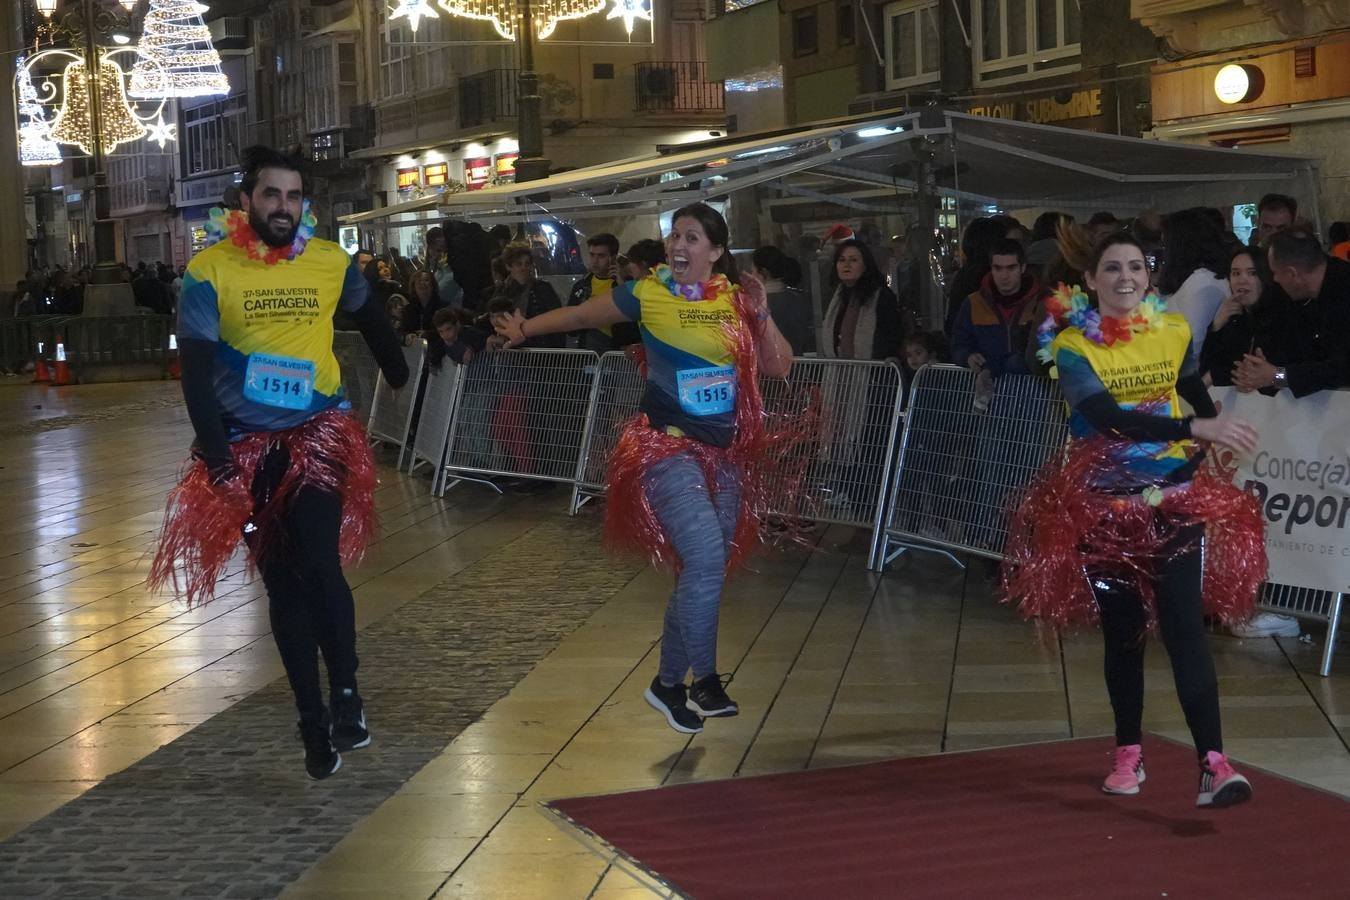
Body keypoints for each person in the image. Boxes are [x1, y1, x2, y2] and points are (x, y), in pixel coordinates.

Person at [149, 146, 410, 780]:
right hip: (245, 447)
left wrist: (400, 370)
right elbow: (198, 375)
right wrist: (216, 460)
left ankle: (347, 693)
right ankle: (310, 719)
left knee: (321, 563)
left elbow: (369, 311)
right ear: (247, 201)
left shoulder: (330, 261)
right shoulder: (210, 273)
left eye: (294, 198)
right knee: (284, 585)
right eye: (272, 196)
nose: (283, 208)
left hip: (317, 436)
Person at [491, 202, 793, 735]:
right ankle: (705, 679)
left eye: (693, 237)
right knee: (702, 553)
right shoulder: (648, 293)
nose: (679, 244)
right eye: (675, 235)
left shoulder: (734, 302)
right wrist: (525, 329)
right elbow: (584, 315)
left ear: (716, 252)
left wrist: (762, 312)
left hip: (721, 455)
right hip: (665, 447)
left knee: (702, 570)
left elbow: (777, 366)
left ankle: (667, 684)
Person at [1005, 233, 1265, 808]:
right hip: (1105, 510)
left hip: (1173, 505)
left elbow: (1191, 386)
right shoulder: (1072, 346)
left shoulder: (1173, 332)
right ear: (1091, 281)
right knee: (1123, 633)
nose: (1125, 276)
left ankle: (1214, 763)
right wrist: (1192, 431)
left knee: (1183, 629)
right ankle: (1129, 752)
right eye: (1111, 268)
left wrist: (1199, 435)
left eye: (1135, 267)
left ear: (1149, 277)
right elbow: (1105, 418)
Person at [1234, 227, 1350, 396]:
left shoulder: (1343, 293)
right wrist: (1258, 374)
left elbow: (1340, 371)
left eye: (1276, 273)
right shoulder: (1299, 299)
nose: (1275, 279)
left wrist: (1276, 376)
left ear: (1292, 273)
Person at [819, 238, 912, 361]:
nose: (846, 265)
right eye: (841, 260)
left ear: (865, 265)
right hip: (837, 374)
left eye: (853, 260)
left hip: (873, 374)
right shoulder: (836, 298)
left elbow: (892, 338)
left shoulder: (882, 296)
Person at [1157, 208, 1230, 351]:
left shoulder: (1203, 283)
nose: (1164, 250)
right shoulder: (1190, 279)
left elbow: (1192, 344)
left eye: (1166, 243)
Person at [751, 245, 812, 356]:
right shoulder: (799, 298)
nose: (752, 276)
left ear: (763, 272)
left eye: (753, 271)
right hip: (799, 365)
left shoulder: (757, 304)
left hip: (769, 367)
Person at [567, 232, 622, 352]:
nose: (595, 261)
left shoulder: (622, 285)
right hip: (588, 351)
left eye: (601, 256)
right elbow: (570, 328)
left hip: (616, 352)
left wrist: (622, 286)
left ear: (612, 257)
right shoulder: (581, 286)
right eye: (592, 255)